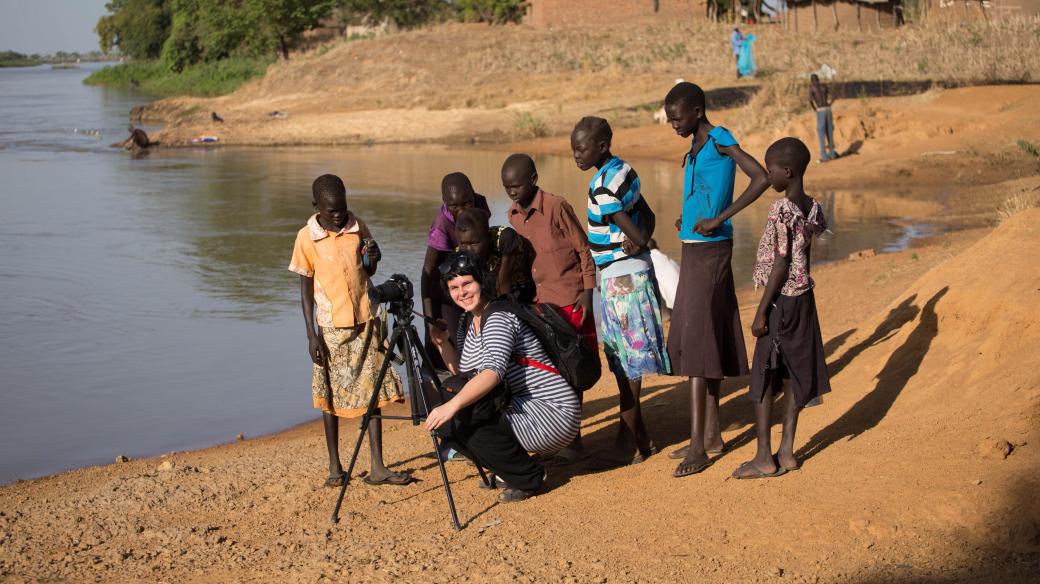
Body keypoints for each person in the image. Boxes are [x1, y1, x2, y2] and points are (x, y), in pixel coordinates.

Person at [663, 82, 770, 477]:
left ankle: (697, 448)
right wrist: (688, 218)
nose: (673, 124)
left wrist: (720, 218)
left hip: (712, 253)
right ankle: (711, 435)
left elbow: (760, 178)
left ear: (696, 111)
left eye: (677, 117)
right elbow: (703, 192)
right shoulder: (693, 146)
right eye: (670, 118)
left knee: (696, 344)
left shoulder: (719, 138)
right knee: (700, 338)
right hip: (694, 249)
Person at [424, 252, 581, 502]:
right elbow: (466, 377)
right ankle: (511, 468)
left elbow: (493, 373)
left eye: (467, 284)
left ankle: (529, 477)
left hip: (552, 412)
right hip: (524, 408)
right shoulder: (470, 320)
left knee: (457, 414)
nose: (461, 292)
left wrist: (451, 407)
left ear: (481, 282)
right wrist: (443, 344)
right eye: (454, 287)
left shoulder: (497, 318)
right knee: (449, 416)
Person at [289, 174, 410, 488]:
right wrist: (310, 335)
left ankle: (378, 466)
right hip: (331, 328)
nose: (339, 215)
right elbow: (304, 292)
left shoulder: (358, 227)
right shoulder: (306, 238)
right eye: (331, 211)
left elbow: (367, 270)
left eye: (342, 208)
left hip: (367, 320)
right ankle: (334, 466)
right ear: (317, 206)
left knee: (374, 394)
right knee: (328, 395)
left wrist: (373, 259)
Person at [571, 117, 671, 467]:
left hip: (622, 282)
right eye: (573, 149)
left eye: (582, 148)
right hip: (629, 275)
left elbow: (642, 234)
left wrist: (637, 241)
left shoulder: (602, 187)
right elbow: (649, 214)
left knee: (626, 363)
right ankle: (639, 437)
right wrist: (637, 240)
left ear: (601, 145)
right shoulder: (623, 170)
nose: (576, 155)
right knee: (624, 360)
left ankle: (626, 442)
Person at [735, 137, 831, 478]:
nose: (768, 175)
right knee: (793, 373)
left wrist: (761, 311)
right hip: (804, 298)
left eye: (771, 169)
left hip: (781, 302)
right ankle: (786, 450)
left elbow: (780, 264)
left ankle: (764, 456)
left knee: (764, 372)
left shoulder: (782, 210)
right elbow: (805, 256)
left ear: (786, 172)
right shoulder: (813, 207)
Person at [504, 153, 597, 464]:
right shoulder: (513, 217)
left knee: (575, 367)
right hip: (541, 305)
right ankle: (561, 436)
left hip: (570, 299)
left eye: (516, 185)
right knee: (553, 371)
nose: (512, 192)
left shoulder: (556, 207)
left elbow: (583, 248)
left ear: (533, 179)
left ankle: (576, 440)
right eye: (506, 187)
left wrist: (587, 291)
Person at [421, 172, 491, 368]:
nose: (461, 211)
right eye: (454, 206)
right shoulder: (441, 226)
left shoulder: (480, 205)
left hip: (471, 282)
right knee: (450, 346)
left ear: (473, 196)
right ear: (444, 203)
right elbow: (428, 275)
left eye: (466, 204)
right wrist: (429, 319)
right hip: (446, 290)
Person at [454, 207, 536, 302]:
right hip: (490, 289)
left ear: (488, 237)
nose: (468, 249)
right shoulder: (459, 253)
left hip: (522, 286)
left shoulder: (505, 238)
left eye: (474, 243)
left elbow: (503, 281)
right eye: (463, 244)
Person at [810, 74, 838, 162]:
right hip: (828, 109)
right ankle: (832, 154)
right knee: (829, 131)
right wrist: (830, 104)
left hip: (820, 110)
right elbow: (834, 95)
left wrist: (815, 109)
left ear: (811, 80)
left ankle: (824, 156)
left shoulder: (812, 88)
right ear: (818, 79)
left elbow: (810, 100)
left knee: (821, 132)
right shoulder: (824, 85)